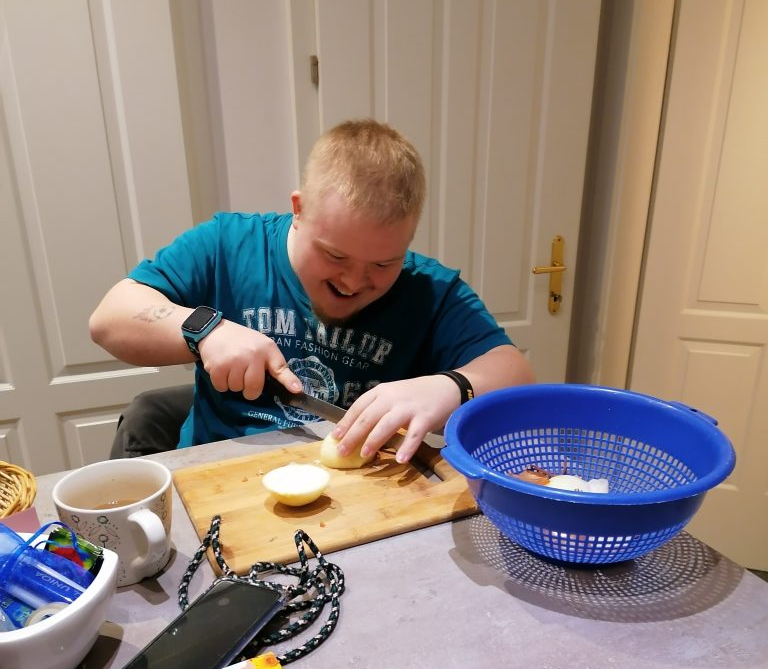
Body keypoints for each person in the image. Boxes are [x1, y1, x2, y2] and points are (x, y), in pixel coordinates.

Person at [90, 119, 534, 464]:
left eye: (384, 263)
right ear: (298, 210)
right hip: (212, 481)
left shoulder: (431, 290)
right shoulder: (228, 244)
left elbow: (515, 373)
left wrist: (451, 387)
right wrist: (205, 331)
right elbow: (110, 319)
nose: (353, 282)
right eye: (335, 256)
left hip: (356, 500)